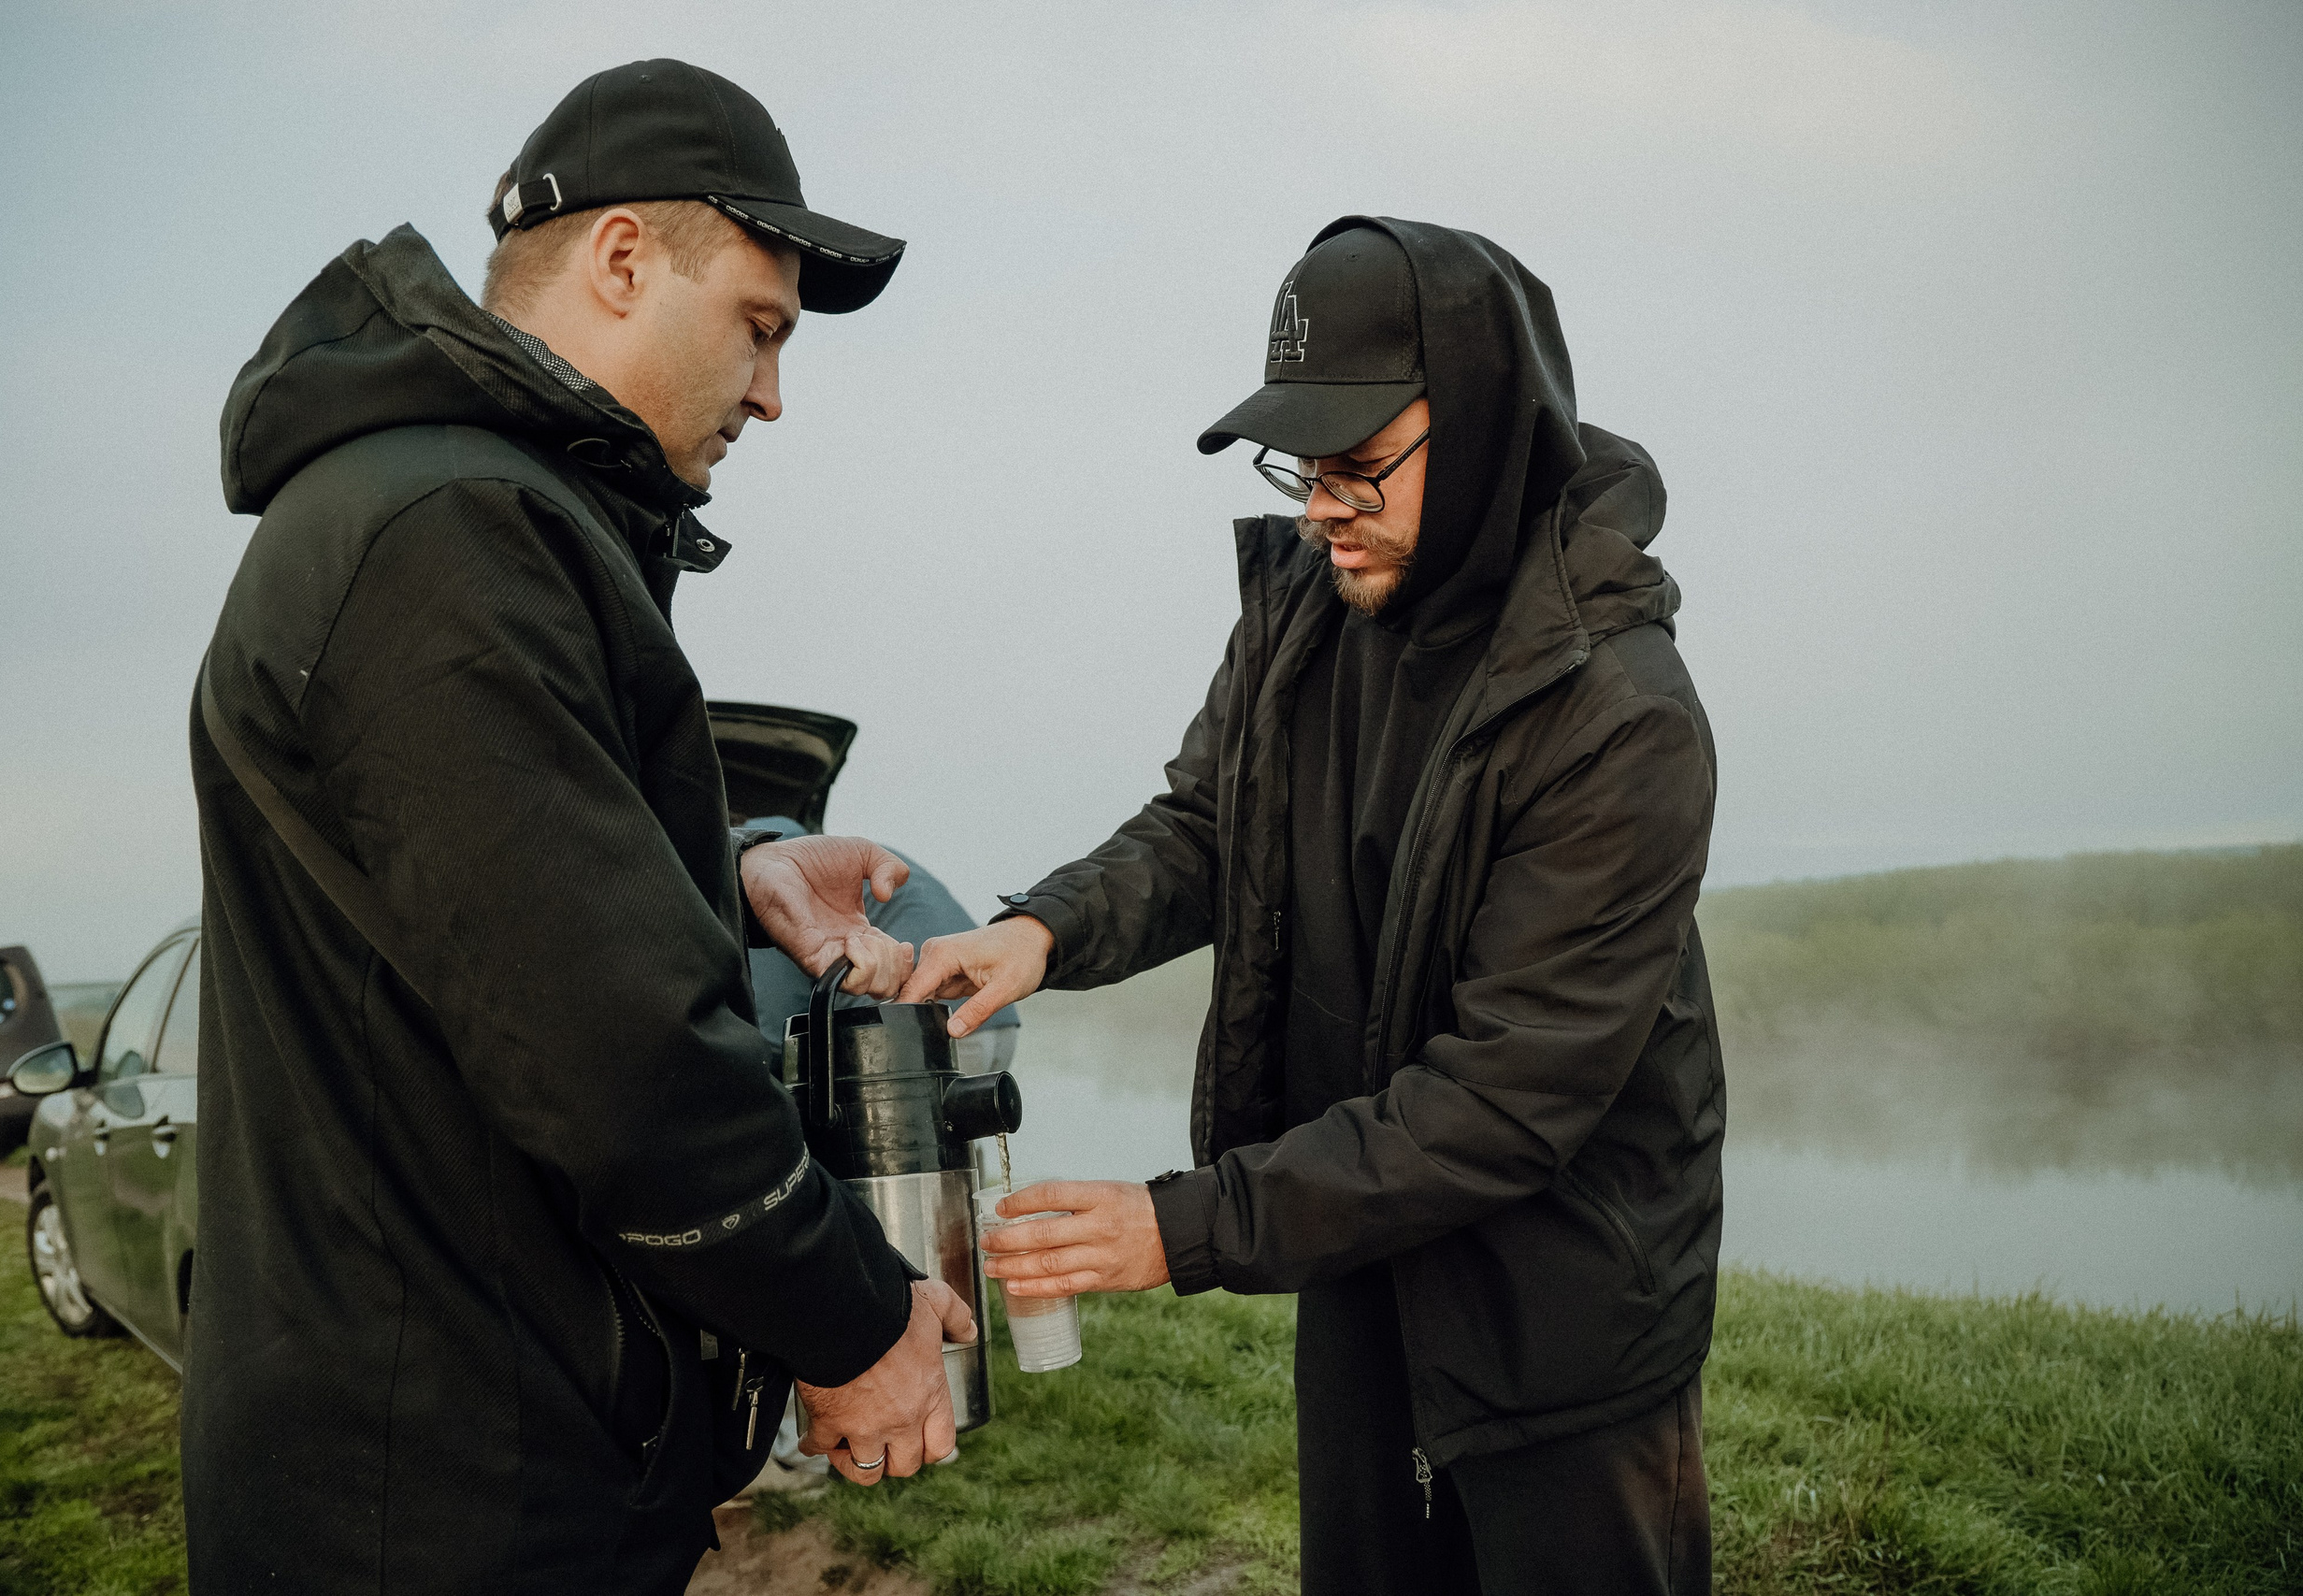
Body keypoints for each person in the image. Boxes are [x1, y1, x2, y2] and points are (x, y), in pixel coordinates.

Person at [189, 61, 971, 1594]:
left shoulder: (476, 514)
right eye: (759, 328)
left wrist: (730, 863)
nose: (771, 393)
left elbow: (491, 898)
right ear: (622, 261)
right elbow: (619, 1062)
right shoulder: (448, 536)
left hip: (486, 1458)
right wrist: (854, 1319)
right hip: (441, 1502)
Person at [905, 219, 1722, 1594]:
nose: (1318, 508)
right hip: (1360, 1254)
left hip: (1564, 1316)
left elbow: (1507, 1098)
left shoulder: (1620, 709)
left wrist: (1185, 1223)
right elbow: (1212, 825)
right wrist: (1042, 929)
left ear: (1480, 429)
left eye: (1357, 466)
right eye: (1303, 465)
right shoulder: (1308, 607)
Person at [743, 815, 1022, 1071]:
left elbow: (775, 1021)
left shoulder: (761, 871)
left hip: (921, 1032)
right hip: (995, 1018)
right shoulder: (837, 857)